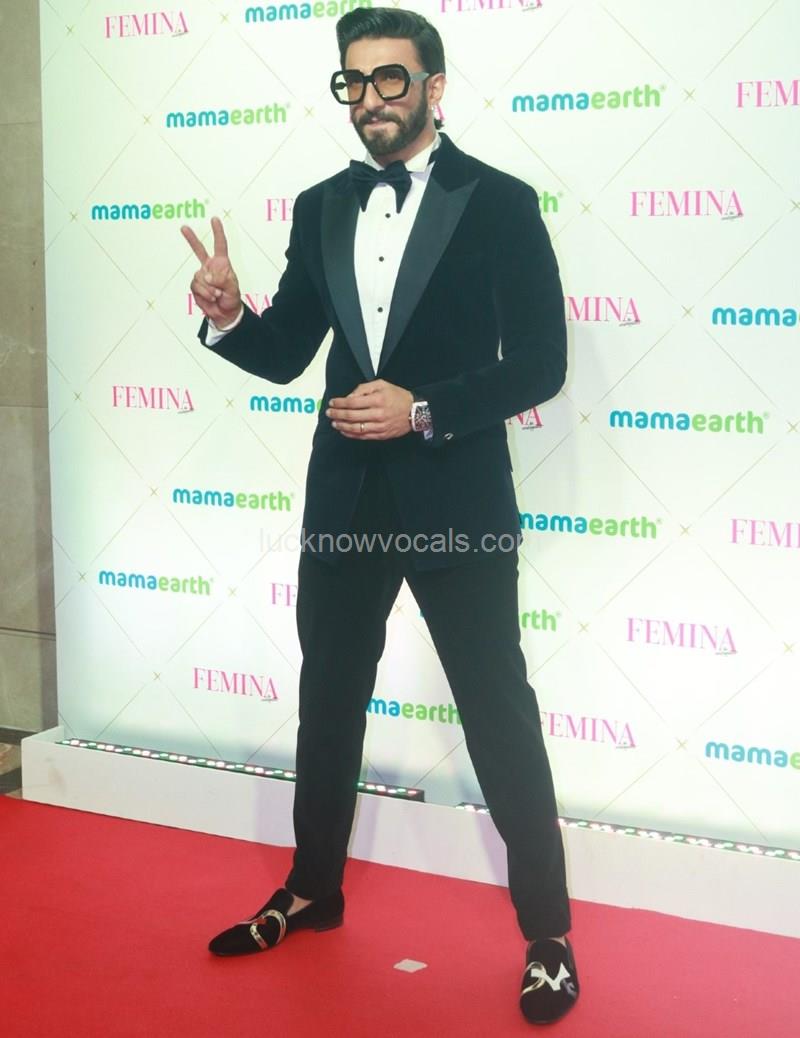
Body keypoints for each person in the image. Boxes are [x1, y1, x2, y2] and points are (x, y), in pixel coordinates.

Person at [182, 7, 577, 1025]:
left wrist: (425, 409)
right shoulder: (321, 207)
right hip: (346, 496)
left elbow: (541, 363)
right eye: (353, 82)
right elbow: (286, 354)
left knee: (495, 711)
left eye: (390, 79)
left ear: (433, 88)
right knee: (328, 702)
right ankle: (313, 889)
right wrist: (229, 317)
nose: (370, 100)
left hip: (456, 499)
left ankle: (547, 935)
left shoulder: (500, 202)